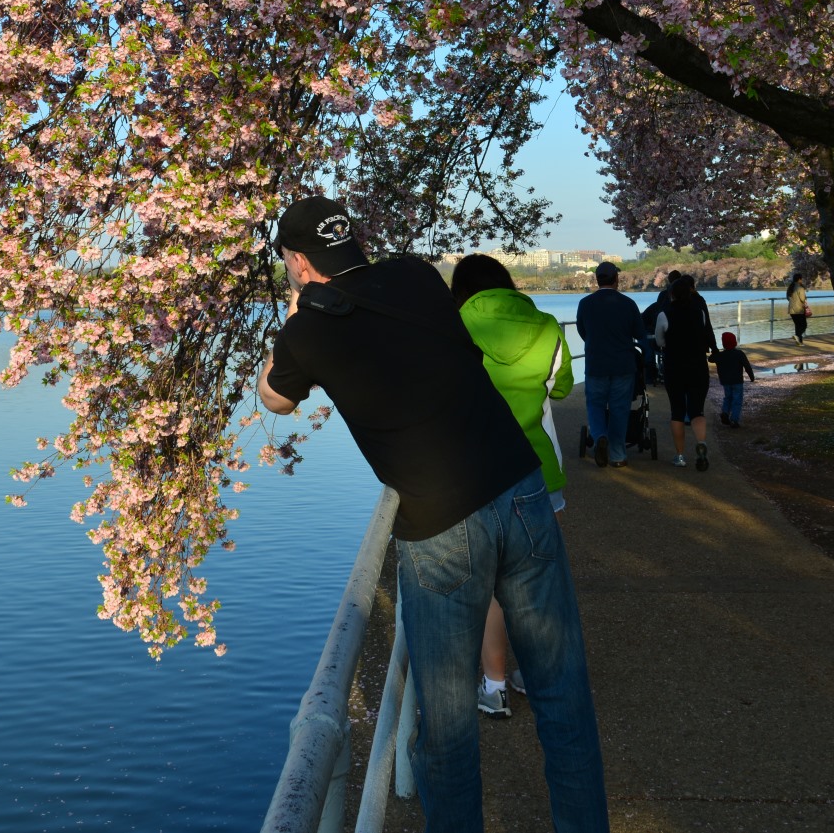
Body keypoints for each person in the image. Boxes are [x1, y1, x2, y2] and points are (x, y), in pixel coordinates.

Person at [258, 198, 607, 831]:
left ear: (297, 262)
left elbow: (275, 399)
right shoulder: (418, 275)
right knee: (564, 699)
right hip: (522, 486)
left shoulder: (306, 332)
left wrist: (295, 318)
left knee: (445, 733)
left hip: (441, 523)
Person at [451, 254, 575, 719]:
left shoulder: (453, 326)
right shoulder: (545, 325)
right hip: (539, 470)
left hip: (475, 470)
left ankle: (495, 685)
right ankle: (540, 676)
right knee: (536, 580)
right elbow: (561, 389)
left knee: (489, 586)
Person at [575, 260, 650, 467]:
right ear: (616, 279)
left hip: (595, 363)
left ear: (596, 280)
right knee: (619, 409)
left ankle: (599, 435)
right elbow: (640, 333)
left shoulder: (585, 304)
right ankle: (617, 455)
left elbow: (583, 332)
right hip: (623, 365)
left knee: (595, 405)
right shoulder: (628, 304)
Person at [649, 273, 717, 469]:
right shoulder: (699, 312)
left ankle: (680, 456)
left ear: (671, 294)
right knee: (697, 410)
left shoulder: (665, 314)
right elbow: (705, 334)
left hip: (674, 366)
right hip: (697, 366)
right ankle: (701, 444)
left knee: (678, 411)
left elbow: (660, 340)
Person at [712, 332, 756, 426]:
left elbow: (710, 359)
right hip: (737, 381)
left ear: (723, 343)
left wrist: (715, 350)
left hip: (725, 381)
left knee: (727, 397)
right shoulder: (739, 354)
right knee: (737, 400)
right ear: (735, 342)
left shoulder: (720, 355)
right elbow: (747, 366)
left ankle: (725, 412)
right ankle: (734, 419)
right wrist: (751, 376)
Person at [786, 273, 810, 344]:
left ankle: (799, 342)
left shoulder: (790, 287)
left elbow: (787, 298)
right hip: (799, 310)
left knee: (797, 325)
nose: (802, 280)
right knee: (804, 325)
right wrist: (805, 297)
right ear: (799, 279)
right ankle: (797, 336)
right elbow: (802, 299)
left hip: (791, 310)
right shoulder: (800, 287)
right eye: (801, 279)